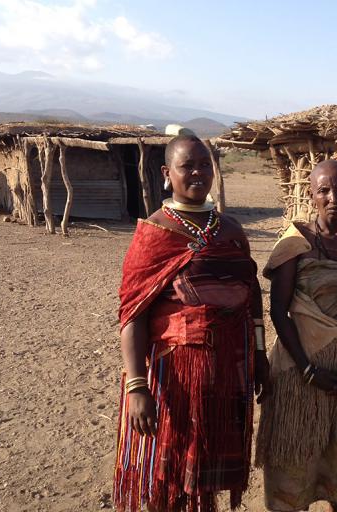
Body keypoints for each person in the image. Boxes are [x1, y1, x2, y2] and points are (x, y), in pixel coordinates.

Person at [114, 134, 265, 511]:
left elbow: (252, 292)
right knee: (170, 474)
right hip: (175, 376)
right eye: (187, 166)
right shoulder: (155, 232)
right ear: (167, 174)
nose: (197, 172)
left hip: (229, 369)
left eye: (205, 165)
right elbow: (133, 312)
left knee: (209, 472)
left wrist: (259, 354)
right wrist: (136, 386)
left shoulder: (230, 229)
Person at [255, 160, 337, 511]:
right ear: (311, 194)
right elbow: (279, 312)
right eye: (324, 189)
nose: (332, 197)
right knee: (296, 465)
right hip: (300, 374)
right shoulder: (295, 243)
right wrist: (309, 370)